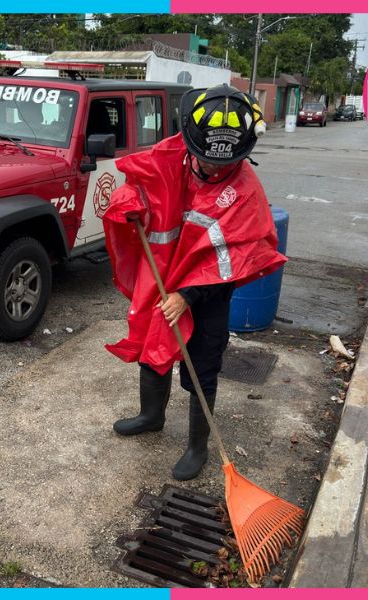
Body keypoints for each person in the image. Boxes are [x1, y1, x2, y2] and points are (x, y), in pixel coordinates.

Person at [102, 85, 286, 480]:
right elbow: (138, 181)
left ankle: (197, 447)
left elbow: (233, 262)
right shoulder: (173, 155)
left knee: (201, 366)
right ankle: (151, 416)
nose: (212, 170)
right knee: (154, 349)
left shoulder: (246, 194)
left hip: (208, 296)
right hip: (163, 275)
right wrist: (131, 201)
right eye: (204, 159)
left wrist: (188, 295)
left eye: (222, 165)